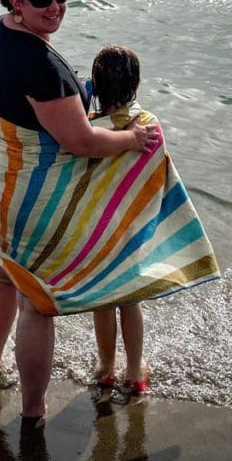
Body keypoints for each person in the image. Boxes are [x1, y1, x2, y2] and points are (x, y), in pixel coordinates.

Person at [0, 0, 219, 421]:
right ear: (15, 1)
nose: (55, 7)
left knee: (3, 275)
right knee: (38, 305)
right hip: (30, 203)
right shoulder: (44, 68)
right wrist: (131, 139)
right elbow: (81, 142)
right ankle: (33, 410)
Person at [89, 45, 152, 396]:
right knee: (130, 300)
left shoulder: (89, 128)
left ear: (94, 85)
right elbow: (157, 176)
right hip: (130, 229)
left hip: (96, 230)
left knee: (102, 301)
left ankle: (106, 368)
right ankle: (134, 371)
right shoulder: (147, 125)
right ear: (138, 82)